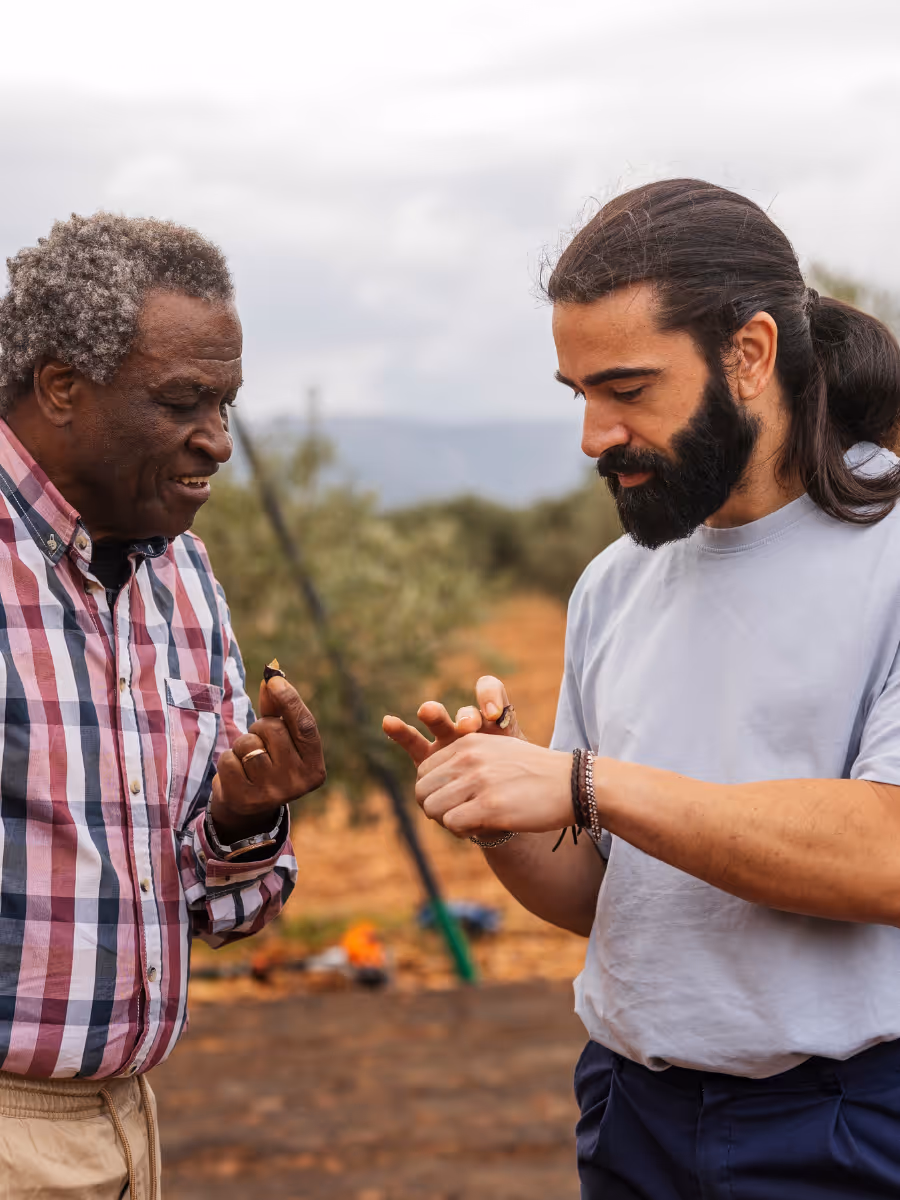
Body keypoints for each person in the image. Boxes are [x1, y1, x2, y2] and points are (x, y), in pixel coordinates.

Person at [385, 179, 900, 1198]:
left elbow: (885, 856)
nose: (594, 436)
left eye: (627, 389)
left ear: (749, 355)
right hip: (633, 1117)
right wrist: (506, 817)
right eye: (578, 394)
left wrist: (583, 783)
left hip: (849, 1128)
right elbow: (604, 901)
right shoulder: (613, 584)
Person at [0, 213, 326, 1197]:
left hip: (132, 1120)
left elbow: (222, 912)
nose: (217, 442)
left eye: (225, 404)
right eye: (184, 401)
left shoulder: (178, 570)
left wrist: (245, 818)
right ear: (63, 386)